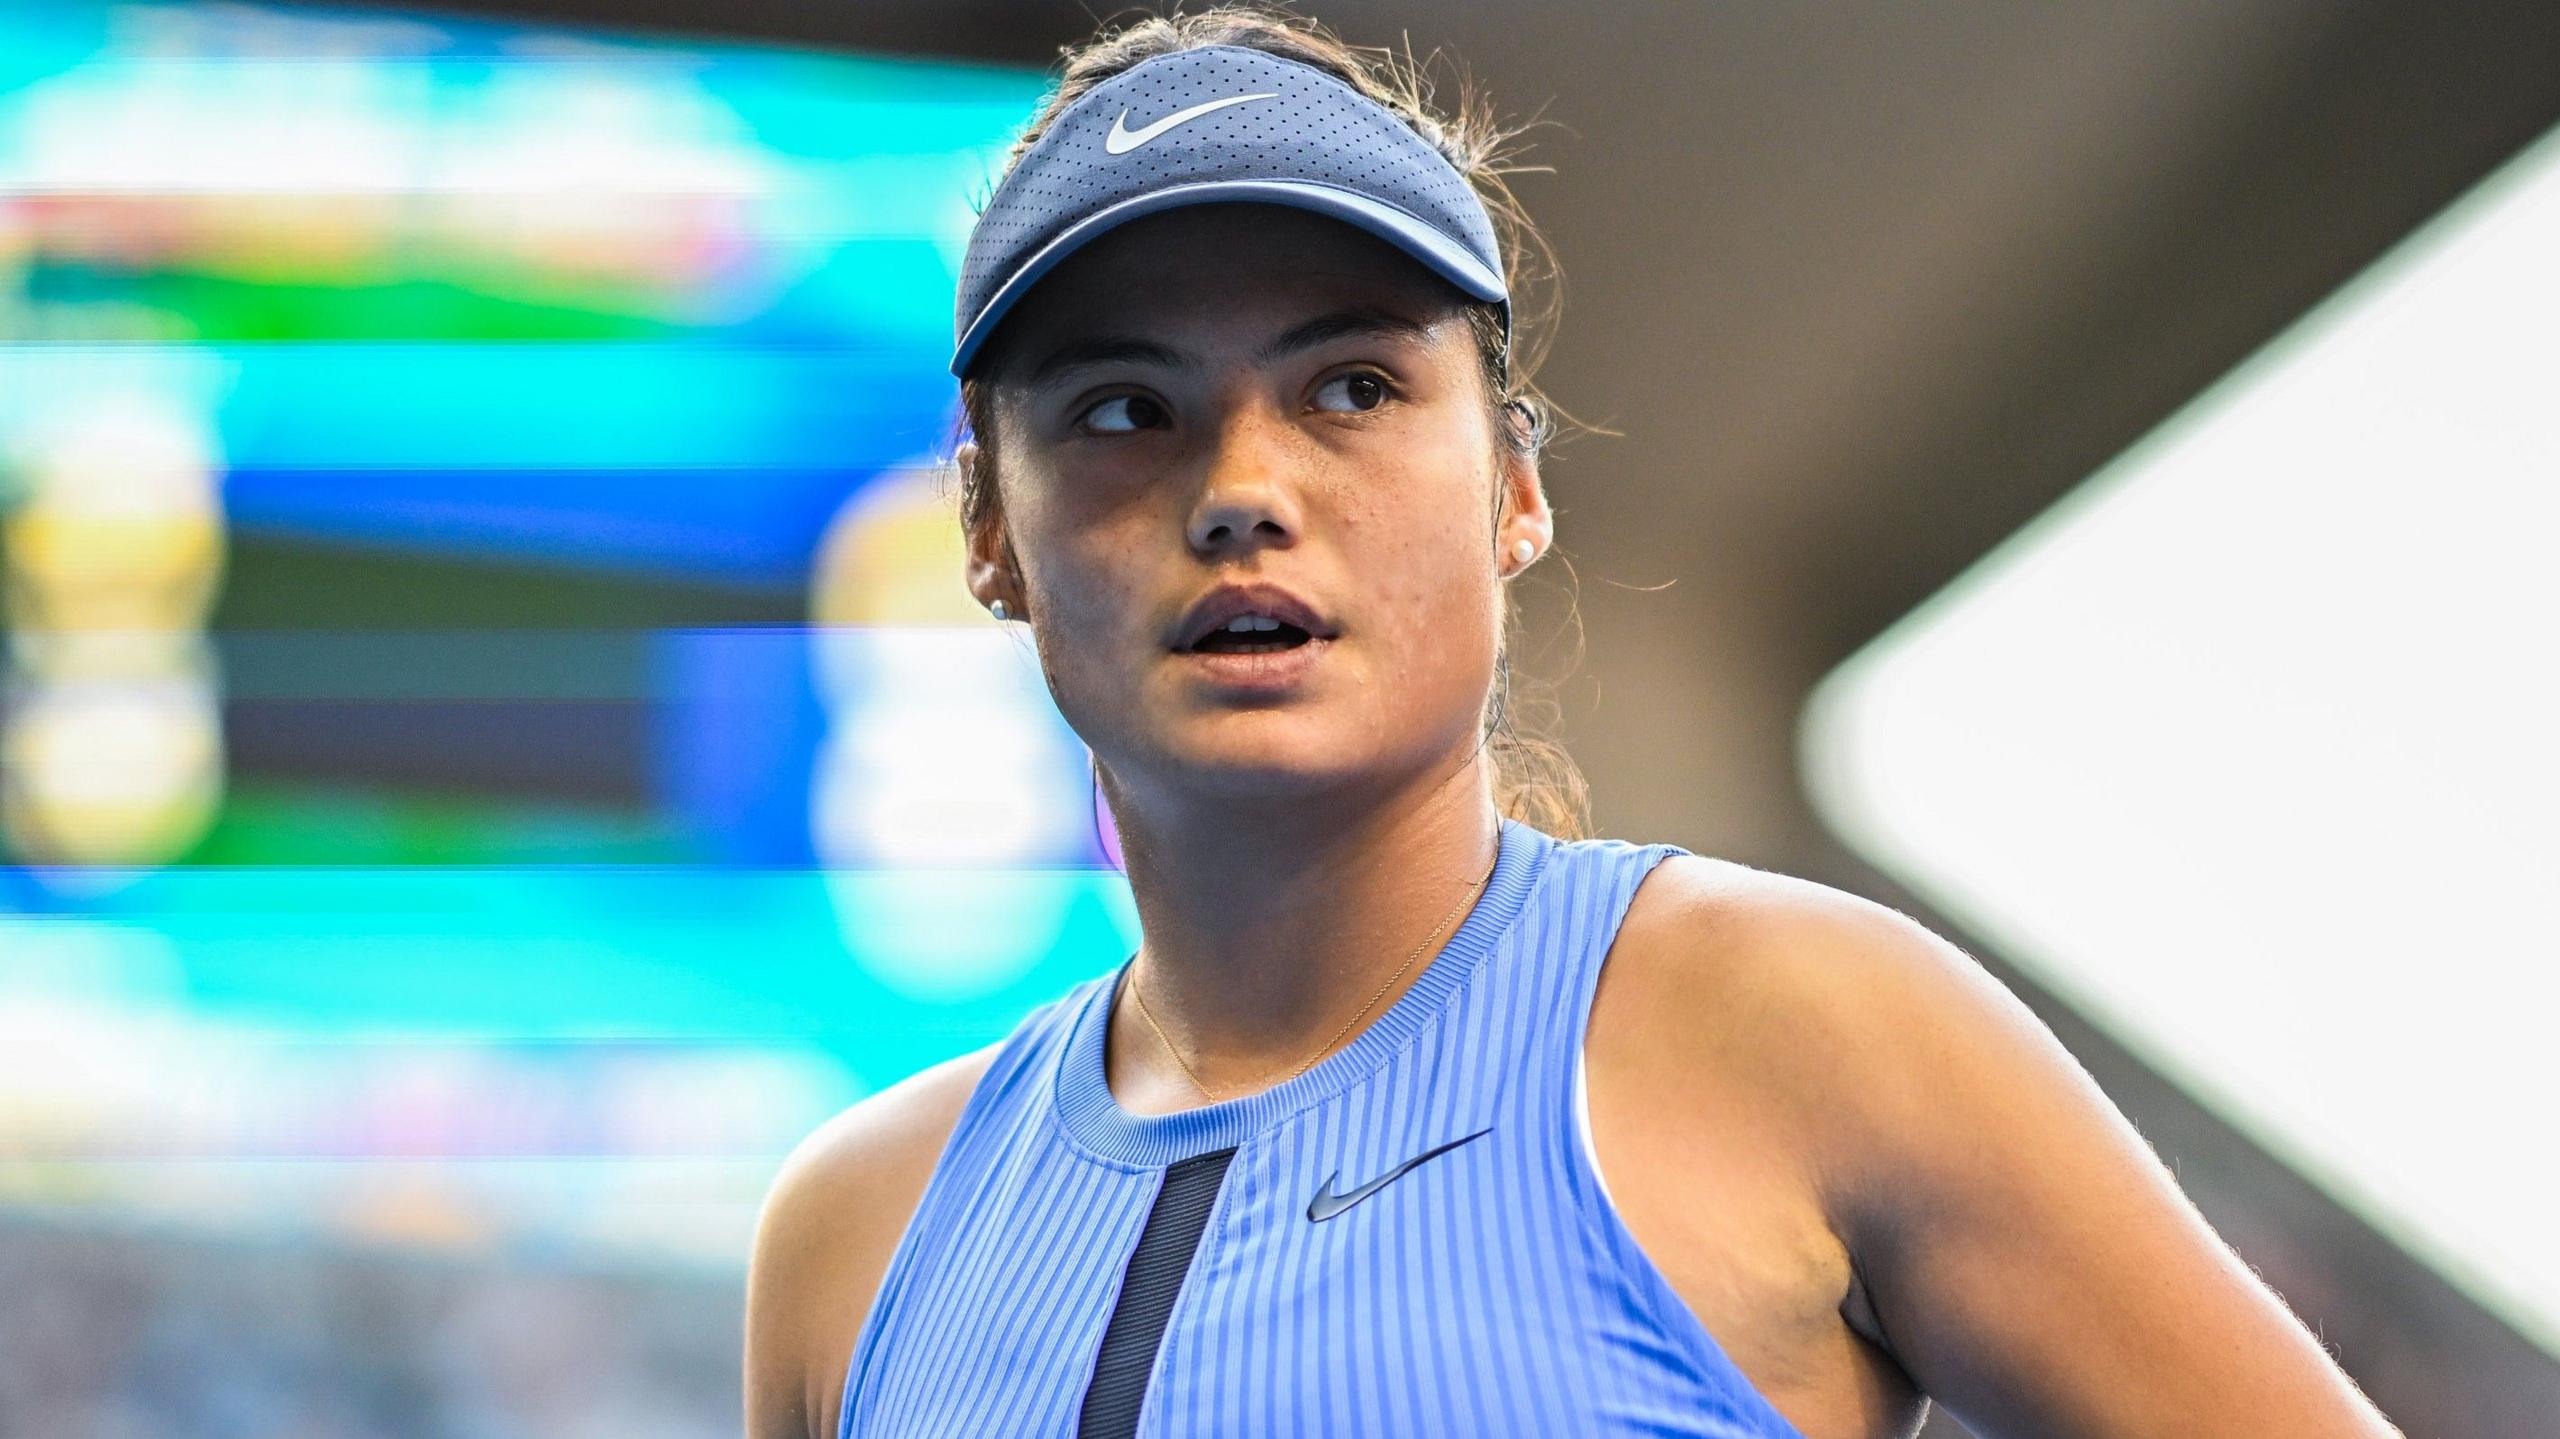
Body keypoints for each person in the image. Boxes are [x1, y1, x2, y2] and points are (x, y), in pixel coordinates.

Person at [746, 8, 2404, 1437]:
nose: (1243, 491)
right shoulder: (853, 1236)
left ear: (1516, 487)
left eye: (1352, 388)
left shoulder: (1809, 1029)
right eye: (1125, 409)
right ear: (985, 531)